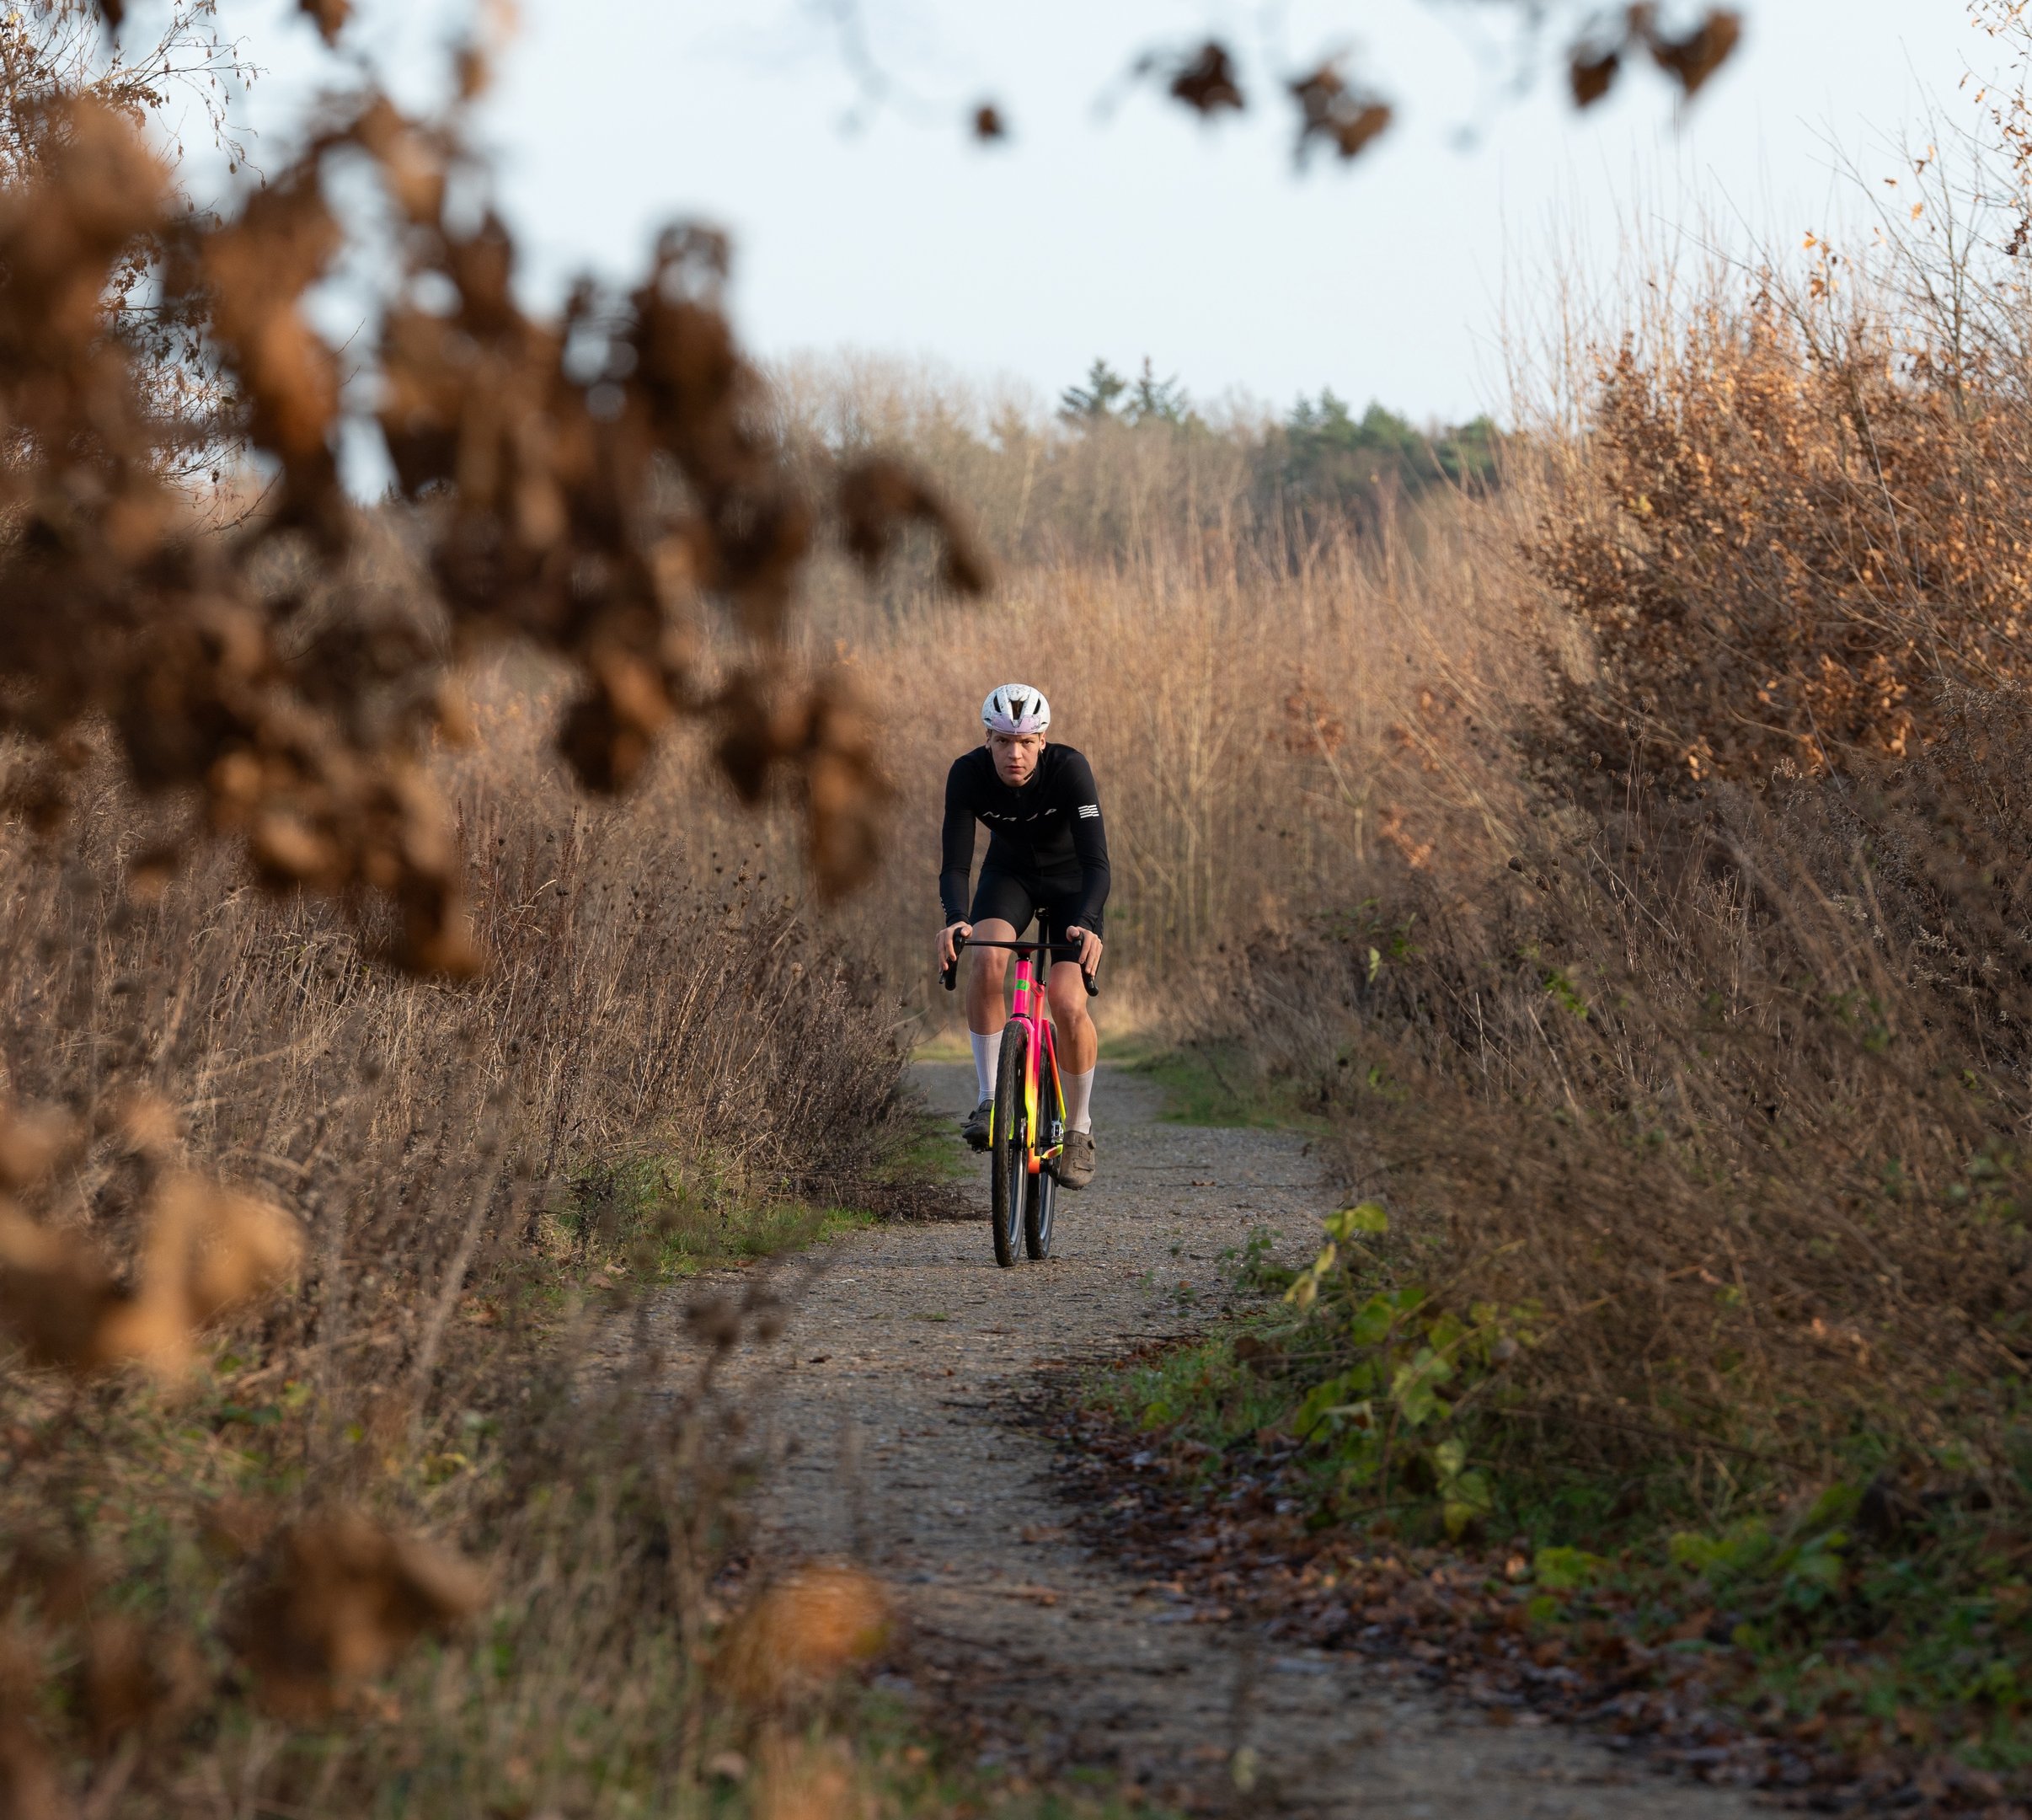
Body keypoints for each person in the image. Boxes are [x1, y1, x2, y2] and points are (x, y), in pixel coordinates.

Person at [937, 684, 1109, 1189]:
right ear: (987, 740)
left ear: (1043, 740)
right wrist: (955, 917)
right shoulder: (966, 774)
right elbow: (954, 862)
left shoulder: (1070, 769)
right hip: (1008, 877)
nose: (1015, 754)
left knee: (1065, 999)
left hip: (1073, 886)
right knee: (986, 960)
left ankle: (1078, 1130)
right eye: (1003, 742)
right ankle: (991, 1098)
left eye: (1026, 742)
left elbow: (1098, 862)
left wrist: (1090, 923)